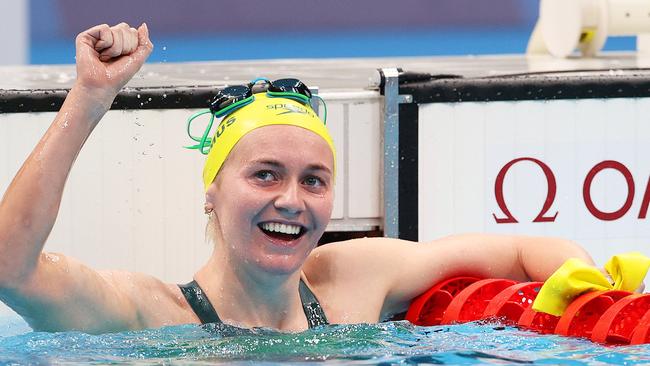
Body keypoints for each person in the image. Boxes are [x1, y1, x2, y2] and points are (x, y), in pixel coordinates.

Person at [0, 23, 595, 334]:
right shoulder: (149, 315)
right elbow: (10, 267)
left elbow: (523, 250)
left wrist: (591, 292)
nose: (291, 200)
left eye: (314, 180)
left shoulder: (355, 281)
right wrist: (91, 95)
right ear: (212, 193)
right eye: (265, 175)